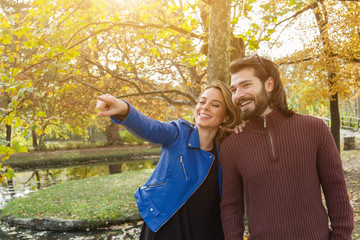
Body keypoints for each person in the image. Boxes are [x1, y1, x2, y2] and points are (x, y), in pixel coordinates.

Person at [219, 54, 354, 240]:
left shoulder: (315, 129)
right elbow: (231, 209)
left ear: (269, 84)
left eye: (246, 85)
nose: (238, 95)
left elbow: (336, 191)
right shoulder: (232, 146)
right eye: (234, 89)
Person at [96, 80, 241, 240]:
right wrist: (124, 109)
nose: (205, 107)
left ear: (226, 116)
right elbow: (149, 127)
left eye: (215, 105)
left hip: (206, 232)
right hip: (166, 229)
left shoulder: (226, 152)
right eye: (202, 101)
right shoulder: (177, 133)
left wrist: (243, 129)